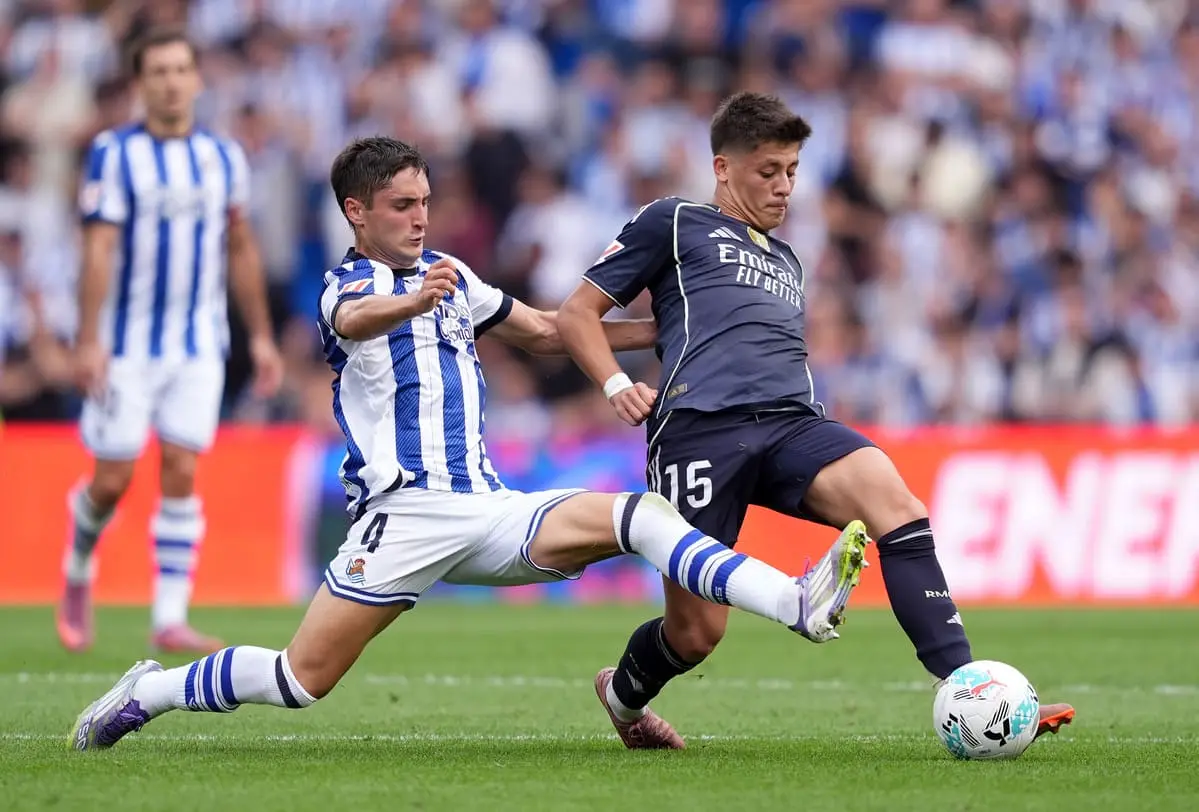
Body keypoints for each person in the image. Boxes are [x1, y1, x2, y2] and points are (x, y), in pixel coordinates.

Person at [70, 136, 871, 751]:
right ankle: (154, 691)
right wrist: (412, 299)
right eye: (399, 206)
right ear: (356, 212)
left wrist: (675, 328)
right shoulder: (349, 286)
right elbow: (354, 322)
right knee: (297, 680)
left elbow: (548, 333)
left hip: (488, 509)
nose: (419, 217)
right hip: (404, 519)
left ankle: (792, 601)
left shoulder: (449, 271)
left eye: (423, 201)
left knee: (641, 515)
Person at [557, 92, 1076, 749]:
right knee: (695, 633)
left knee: (896, 505)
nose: (782, 186)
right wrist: (612, 383)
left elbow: (692, 325)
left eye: (792, 171)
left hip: (790, 422)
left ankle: (969, 684)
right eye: (767, 170)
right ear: (722, 168)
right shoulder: (673, 221)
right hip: (699, 428)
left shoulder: (786, 259)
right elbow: (577, 313)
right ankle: (623, 700)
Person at [57, 28, 283, 655]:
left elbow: (240, 246)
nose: (171, 80)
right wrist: (89, 339)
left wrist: (261, 337)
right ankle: (78, 563)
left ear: (197, 79)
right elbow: (97, 248)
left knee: (182, 467)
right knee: (112, 480)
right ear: (140, 84)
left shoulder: (223, 157)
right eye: (158, 71)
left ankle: (169, 614)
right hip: (125, 345)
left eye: (181, 68)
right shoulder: (112, 152)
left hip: (196, 342)